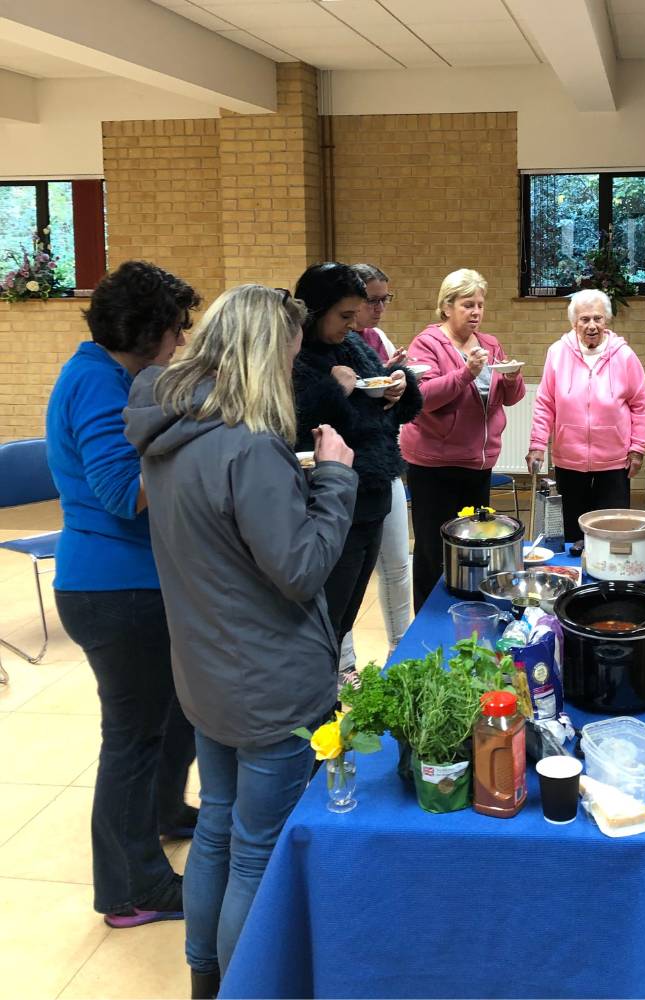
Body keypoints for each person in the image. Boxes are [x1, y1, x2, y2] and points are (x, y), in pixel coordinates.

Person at [123, 285, 357, 997]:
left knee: (219, 834)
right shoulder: (250, 450)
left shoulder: (172, 433)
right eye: (287, 357)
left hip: (208, 675)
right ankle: (241, 987)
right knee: (256, 852)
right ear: (263, 356)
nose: (292, 372)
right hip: (269, 686)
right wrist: (337, 481)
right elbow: (300, 569)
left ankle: (205, 976)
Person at [46, 260, 199, 930]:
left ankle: (166, 814)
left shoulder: (113, 375)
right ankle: (132, 888)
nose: (179, 346)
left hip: (131, 584)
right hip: (114, 589)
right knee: (133, 739)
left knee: (173, 720)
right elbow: (124, 492)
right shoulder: (97, 384)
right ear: (146, 331)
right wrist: (192, 442)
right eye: (174, 332)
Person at [292, 263, 421, 680]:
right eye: (344, 316)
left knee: (348, 607)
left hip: (372, 491)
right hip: (333, 497)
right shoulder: (295, 355)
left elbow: (393, 406)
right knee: (326, 613)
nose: (351, 326)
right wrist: (335, 389)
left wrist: (402, 384)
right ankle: (322, 690)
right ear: (315, 310)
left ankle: (331, 682)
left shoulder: (352, 346)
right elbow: (294, 425)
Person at [400, 268, 525, 611]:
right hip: (433, 464)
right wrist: (465, 373)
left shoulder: (490, 344)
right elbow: (422, 397)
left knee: (474, 543)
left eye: (480, 305)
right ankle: (427, 617)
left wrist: (512, 378)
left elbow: (508, 398)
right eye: (468, 305)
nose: (476, 312)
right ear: (447, 307)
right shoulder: (426, 343)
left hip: (477, 462)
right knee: (433, 549)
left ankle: (468, 610)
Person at [526, 289, 645, 542]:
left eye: (598, 318)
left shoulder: (624, 355)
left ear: (607, 320)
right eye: (584, 319)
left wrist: (637, 447)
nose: (591, 326)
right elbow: (545, 403)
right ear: (574, 323)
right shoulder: (557, 353)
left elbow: (641, 405)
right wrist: (538, 444)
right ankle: (575, 580)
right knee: (572, 532)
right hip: (569, 459)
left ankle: (609, 582)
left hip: (615, 461)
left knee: (611, 533)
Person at [337, 264, 413, 670]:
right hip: (345, 472)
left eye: (386, 299)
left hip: (384, 464)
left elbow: (394, 408)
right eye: (372, 300)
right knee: (347, 577)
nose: (380, 307)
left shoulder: (377, 338)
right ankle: (344, 665)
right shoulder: (328, 347)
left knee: (398, 562)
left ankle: (401, 649)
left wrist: (398, 383)